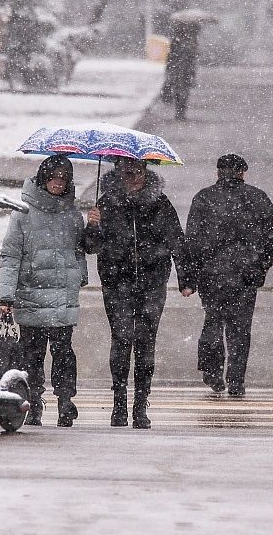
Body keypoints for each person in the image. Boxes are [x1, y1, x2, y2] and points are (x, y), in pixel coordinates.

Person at [0, 155, 98, 427]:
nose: (58, 182)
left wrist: (94, 227)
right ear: (43, 178)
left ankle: (65, 401)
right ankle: (34, 402)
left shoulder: (72, 214)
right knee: (33, 353)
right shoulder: (23, 213)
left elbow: (83, 249)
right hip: (32, 293)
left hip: (63, 295)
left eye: (64, 178)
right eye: (54, 177)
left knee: (64, 351)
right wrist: (6, 295)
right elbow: (10, 255)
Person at [85, 157, 184, 428]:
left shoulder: (160, 204)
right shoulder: (106, 202)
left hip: (152, 284)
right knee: (121, 339)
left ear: (146, 172)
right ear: (118, 173)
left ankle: (141, 405)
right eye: (127, 172)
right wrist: (92, 225)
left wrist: (186, 279)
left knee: (145, 343)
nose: (133, 177)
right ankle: (119, 404)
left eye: (138, 171)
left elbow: (177, 241)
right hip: (116, 283)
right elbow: (90, 247)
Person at [179, 153, 273, 398]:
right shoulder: (257, 198)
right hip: (245, 274)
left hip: (211, 274)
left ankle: (212, 371)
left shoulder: (204, 198)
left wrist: (190, 278)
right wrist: (261, 266)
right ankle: (236, 379)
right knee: (240, 329)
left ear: (218, 172)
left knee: (213, 320)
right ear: (242, 172)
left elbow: (191, 241)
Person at [161, 21, 200, 121]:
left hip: (179, 69)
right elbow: (191, 57)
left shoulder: (179, 40)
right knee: (183, 91)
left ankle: (180, 111)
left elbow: (170, 57)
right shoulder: (188, 41)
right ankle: (180, 112)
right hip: (183, 69)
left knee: (180, 90)